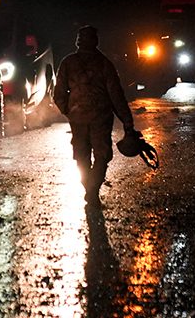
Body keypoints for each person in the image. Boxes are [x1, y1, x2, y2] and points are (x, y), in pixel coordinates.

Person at [53, 25, 135, 204]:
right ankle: (93, 188)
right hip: (101, 117)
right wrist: (127, 121)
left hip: (77, 117)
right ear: (95, 41)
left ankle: (88, 186)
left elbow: (58, 94)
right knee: (102, 154)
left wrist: (69, 111)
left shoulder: (68, 63)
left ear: (78, 42)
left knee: (81, 154)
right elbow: (116, 95)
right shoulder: (104, 64)